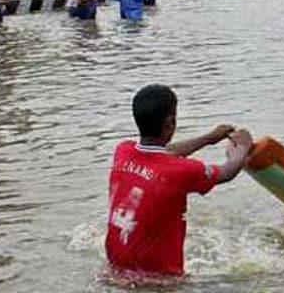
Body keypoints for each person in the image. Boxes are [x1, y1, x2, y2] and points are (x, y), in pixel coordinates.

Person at [105, 84, 253, 276]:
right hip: (160, 282)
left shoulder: (123, 151)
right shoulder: (181, 171)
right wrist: (242, 148)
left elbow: (166, 153)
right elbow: (227, 172)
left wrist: (209, 138)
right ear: (170, 122)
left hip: (114, 271)